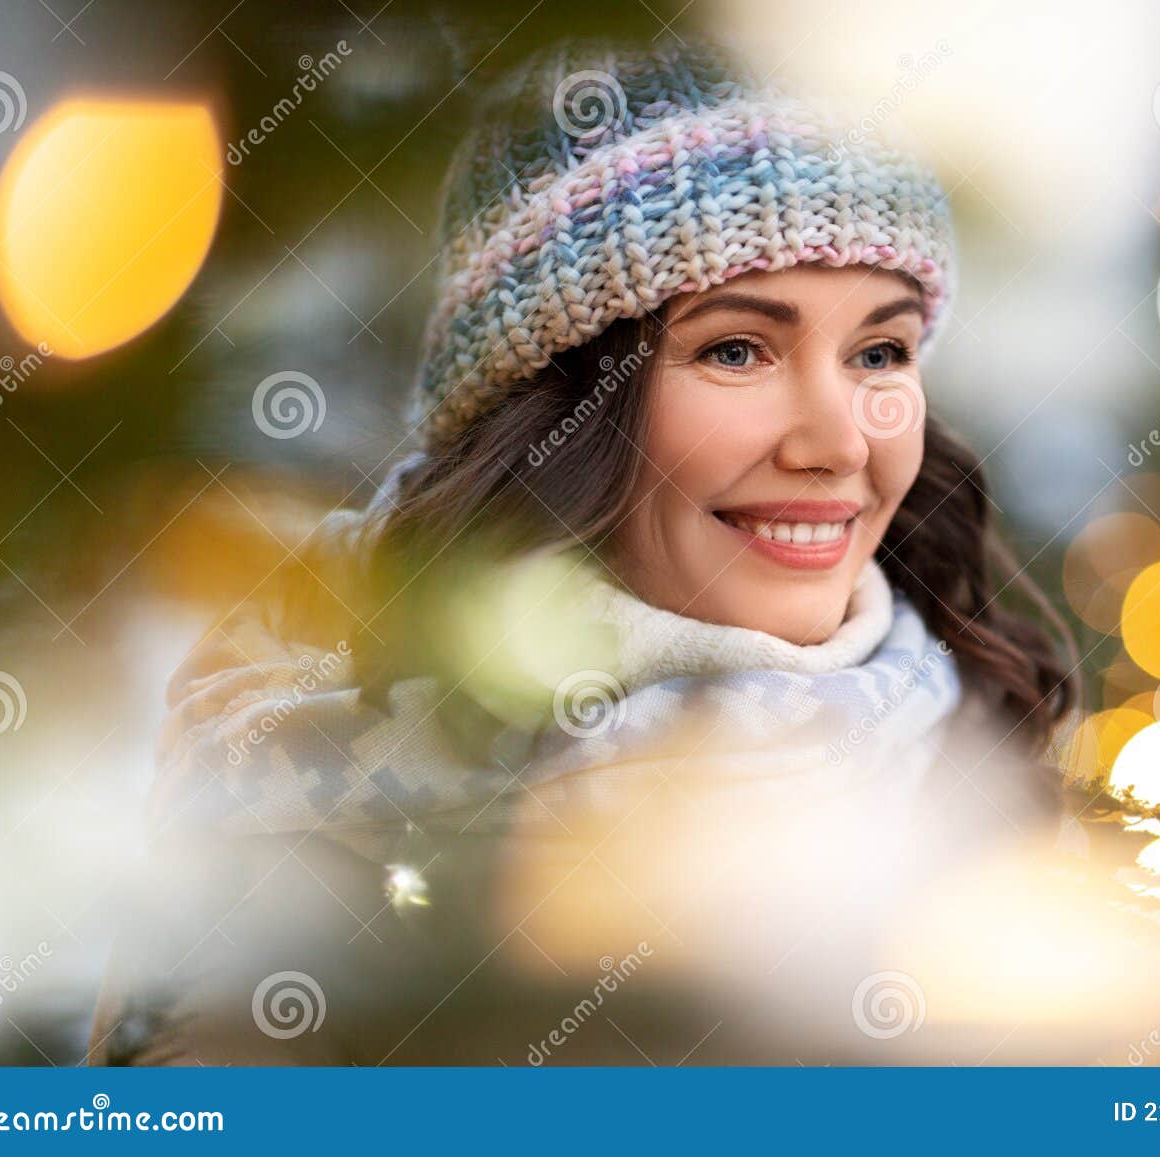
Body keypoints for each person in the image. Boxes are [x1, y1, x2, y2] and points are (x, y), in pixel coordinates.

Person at [89, 37, 1074, 1066]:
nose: (837, 441)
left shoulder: (975, 775)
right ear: (562, 409)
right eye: (736, 349)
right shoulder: (300, 811)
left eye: (880, 350)